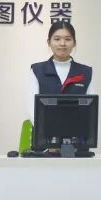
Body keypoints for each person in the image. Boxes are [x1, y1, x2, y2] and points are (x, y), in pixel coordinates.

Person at [19, 20, 94, 151]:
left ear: (74, 43)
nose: (62, 43)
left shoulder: (85, 72)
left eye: (68, 39)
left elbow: (91, 110)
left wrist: (71, 141)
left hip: (77, 144)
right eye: (57, 39)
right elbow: (32, 109)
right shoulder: (37, 70)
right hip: (45, 144)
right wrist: (52, 140)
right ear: (49, 42)